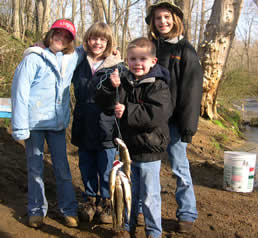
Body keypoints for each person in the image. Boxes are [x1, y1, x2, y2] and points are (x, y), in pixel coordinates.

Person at [94, 37, 172, 238]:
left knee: (149, 196)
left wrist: (127, 110)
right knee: (127, 193)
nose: (137, 63)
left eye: (142, 59)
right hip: (126, 150)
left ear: (153, 62)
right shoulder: (123, 81)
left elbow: (156, 115)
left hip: (149, 151)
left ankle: (153, 232)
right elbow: (104, 104)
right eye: (133, 59)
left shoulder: (159, 86)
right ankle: (126, 229)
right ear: (126, 61)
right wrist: (112, 88)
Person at [11, 19, 85, 228]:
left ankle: (68, 210)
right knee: (35, 167)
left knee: (62, 169)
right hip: (33, 123)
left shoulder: (72, 57)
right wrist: (20, 126)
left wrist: (113, 52)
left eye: (66, 36)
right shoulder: (33, 58)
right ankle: (36, 210)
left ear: (71, 40)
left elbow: (93, 46)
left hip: (57, 124)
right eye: (57, 34)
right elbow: (20, 92)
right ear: (50, 34)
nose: (61, 39)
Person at [145, 0, 204, 233]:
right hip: (151, 121)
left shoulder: (185, 50)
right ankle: (145, 210)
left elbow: (192, 91)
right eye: (158, 18)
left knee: (180, 167)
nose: (162, 22)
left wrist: (188, 126)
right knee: (148, 168)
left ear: (175, 19)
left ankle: (187, 214)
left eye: (167, 17)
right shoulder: (149, 47)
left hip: (175, 123)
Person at [71, 22, 123, 224]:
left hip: (106, 124)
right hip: (83, 120)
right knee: (86, 164)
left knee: (107, 166)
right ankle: (89, 199)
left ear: (109, 42)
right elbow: (61, 53)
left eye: (103, 39)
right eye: (94, 38)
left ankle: (107, 202)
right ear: (87, 40)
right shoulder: (78, 61)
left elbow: (124, 93)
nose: (98, 43)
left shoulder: (116, 64)